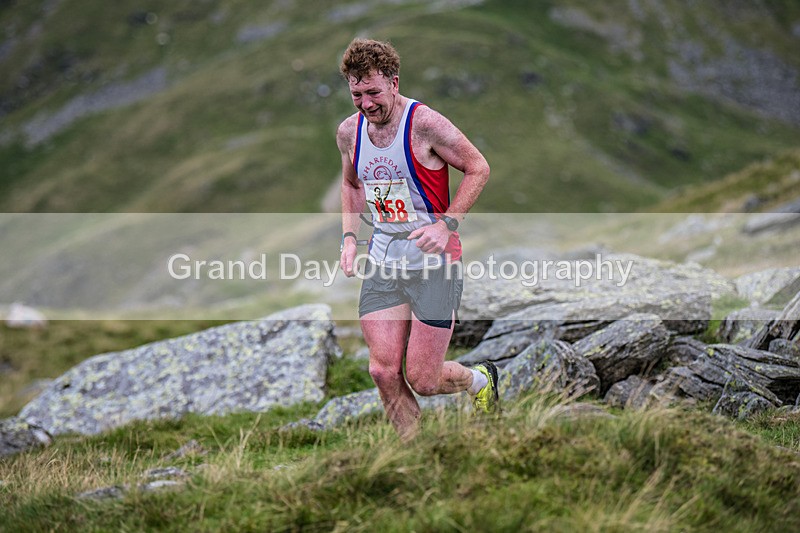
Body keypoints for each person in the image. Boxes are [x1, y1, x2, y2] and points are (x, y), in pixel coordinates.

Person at [336, 38, 497, 440]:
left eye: (373, 92)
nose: (366, 104)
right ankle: (417, 454)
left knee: (424, 378)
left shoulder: (424, 124)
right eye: (357, 94)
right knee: (382, 370)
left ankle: (480, 381)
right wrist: (350, 239)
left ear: (393, 82)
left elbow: (478, 168)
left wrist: (447, 225)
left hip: (435, 263)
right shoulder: (349, 133)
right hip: (385, 258)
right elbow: (352, 184)